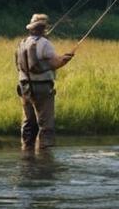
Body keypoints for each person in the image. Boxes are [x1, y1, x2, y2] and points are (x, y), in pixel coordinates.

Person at [15, 13, 75, 151]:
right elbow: (54, 63)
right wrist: (65, 59)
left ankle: (27, 154)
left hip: (24, 88)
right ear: (43, 29)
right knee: (45, 124)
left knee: (29, 124)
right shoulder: (45, 43)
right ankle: (44, 158)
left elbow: (18, 66)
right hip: (41, 88)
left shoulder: (22, 43)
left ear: (31, 28)